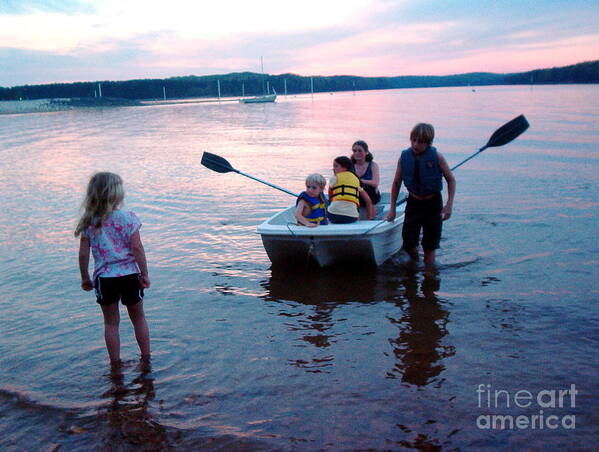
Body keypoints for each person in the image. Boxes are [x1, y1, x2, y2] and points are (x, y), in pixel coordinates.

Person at [75, 172, 151, 365]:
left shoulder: (89, 222)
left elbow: (83, 253)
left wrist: (85, 277)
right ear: (118, 194)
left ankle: (115, 364)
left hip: (105, 278)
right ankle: (146, 358)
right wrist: (145, 274)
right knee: (139, 318)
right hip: (130, 275)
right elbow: (137, 248)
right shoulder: (129, 218)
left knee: (111, 323)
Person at [386, 123, 456, 267]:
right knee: (408, 242)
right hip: (414, 202)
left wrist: (449, 205)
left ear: (429, 143)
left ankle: (429, 274)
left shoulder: (437, 157)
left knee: (430, 245)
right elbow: (396, 182)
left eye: (420, 142)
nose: (416, 145)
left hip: (433, 203)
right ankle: (416, 263)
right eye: (414, 140)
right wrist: (392, 208)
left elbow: (451, 180)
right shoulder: (404, 157)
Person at [328, 156, 375, 224]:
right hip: (351, 217)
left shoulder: (334, 178)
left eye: (336, 166)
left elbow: (330, 197)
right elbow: (368, 200)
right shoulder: (356, 179)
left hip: (333, 215)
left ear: (345, 167)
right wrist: (369, 218)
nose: (333, 169)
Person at [351, 140, 381, 205]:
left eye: (360, 151)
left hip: (371, 195)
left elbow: (375, 183)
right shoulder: (350, 165)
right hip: (355, 195)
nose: (356, 153)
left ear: (366, 152)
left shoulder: (373, 165)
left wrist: (360, 181)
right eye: (354, 151)